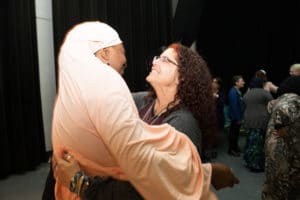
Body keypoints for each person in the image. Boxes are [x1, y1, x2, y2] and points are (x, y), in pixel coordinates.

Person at [50, 21, 238, 200]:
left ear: (182, 78)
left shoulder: (183, 124)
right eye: (157, 57)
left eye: (164, 60)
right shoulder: (143, 101)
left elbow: (142, 191)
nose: (154, 62)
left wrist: (78, 181)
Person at [262, 75, 300, 199]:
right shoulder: (293, 101)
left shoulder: (277, 102)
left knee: (272, 184)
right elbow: (286, 125)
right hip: (287, 153)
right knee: (284, 187)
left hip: (273, 150)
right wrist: (289, 130)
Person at [243, 77, 273, 172]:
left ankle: (248, 161)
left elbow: (244, 103)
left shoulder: (248, 93)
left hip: (248, 119)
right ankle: (255, 165)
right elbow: (271, 103)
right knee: (258, 144)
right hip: (261, 120)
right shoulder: (264, 93)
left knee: (249, 141)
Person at [227, 75, 245, 156]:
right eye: (241, 81)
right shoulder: (233, 92)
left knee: (236, 133)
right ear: (236, 82)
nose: (243, 82)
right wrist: (238, 119)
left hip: (237, 117)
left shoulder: (237, 91)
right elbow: (234, 107)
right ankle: (231, 150)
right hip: (235, 117)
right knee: (233, 134)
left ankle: (235, 148)